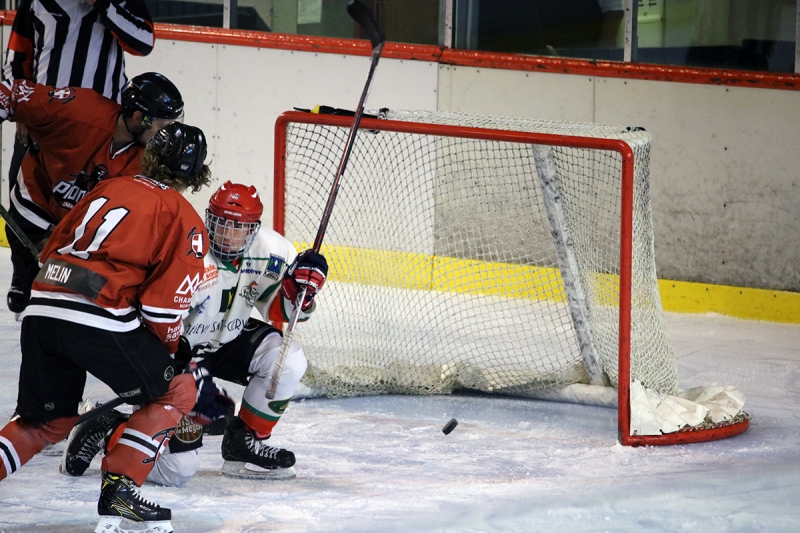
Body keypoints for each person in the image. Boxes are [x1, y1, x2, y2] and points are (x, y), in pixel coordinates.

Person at [0, 122, 211, 533]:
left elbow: (51, 247)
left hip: (43, 308)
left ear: (150, 154)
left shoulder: (107, 187)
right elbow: (162, 309)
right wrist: (169, 351)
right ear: (195, 174)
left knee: (45, 423)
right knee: (178, 388)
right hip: (100, 316)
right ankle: (120, 487)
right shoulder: (181, 216)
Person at [61, 181, 328, 486]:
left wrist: (301, 292)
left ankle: (245, 442)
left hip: (225, 339)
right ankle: (109, 426)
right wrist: (192, 383)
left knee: (288, 360)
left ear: (254, 228)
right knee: (179, 469)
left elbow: (280, 312)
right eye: (221, 224)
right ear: (208, 219)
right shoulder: (187, 252)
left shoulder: (272, 251)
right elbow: (154, 325)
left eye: (238, 228)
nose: (228, 235)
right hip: (173, 352)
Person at [0, 70, 184, 315]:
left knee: (72, 302)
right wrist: (24, 113)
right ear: (139, 117)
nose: (168, 135)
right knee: (31, 296)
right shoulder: (80, 110)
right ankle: (25, 275)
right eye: (164, 125)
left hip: (78, 227)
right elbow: (11, 94)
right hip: (36, 206)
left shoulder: (149, 159)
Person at [3, 0, 154, 193]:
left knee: (86, 206)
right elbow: (16, 61)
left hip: (100, 131)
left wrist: (103, 4)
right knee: (24, 196)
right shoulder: (35, 2)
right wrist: (21, 111)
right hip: (42, 121)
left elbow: (144, 42)